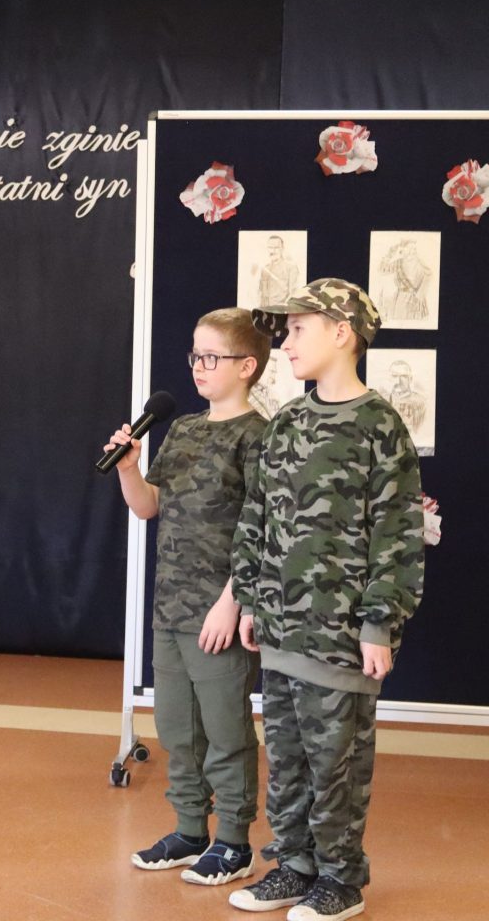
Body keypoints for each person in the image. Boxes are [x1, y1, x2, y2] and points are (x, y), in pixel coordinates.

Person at [229, 279, 424, 921]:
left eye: (297, 329)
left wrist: (379, 623)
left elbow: (397, 533)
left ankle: (340, 879)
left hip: (341, 637)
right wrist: (251, 600)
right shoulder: (287, 421)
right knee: (285, 759)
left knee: (336, 763)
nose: (285, 343)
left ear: (342, 333)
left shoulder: (379, 426)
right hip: (281, 629)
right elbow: (257, 517)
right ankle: (295, 866)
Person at [103, 308, 269, 887]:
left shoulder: (258, 436)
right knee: (177, 728)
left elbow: (262, 528)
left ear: (247, 366)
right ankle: (191, 830)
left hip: (220, 609)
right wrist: (129, 469)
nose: (198, 366)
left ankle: (234, 843)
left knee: (226, 730)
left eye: (211, 357)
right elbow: (149, 506)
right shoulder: (183, 429)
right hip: (170, 606)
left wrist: (232, 601)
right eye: (195, 355)